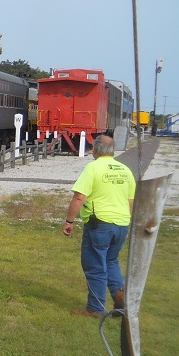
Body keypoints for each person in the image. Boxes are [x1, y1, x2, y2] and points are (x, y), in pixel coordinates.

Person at [62, 135, 136, 318]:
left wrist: (69, 221)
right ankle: (120, 296)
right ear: (112, 151)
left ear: (94, 150)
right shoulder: (126, 170)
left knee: (94, 264)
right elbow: (131, 200)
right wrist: (127, 221)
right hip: (122, 223)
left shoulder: (93, 168)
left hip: (100, 223)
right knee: (111, 260)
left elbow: (80, 197)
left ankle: (95, 308)